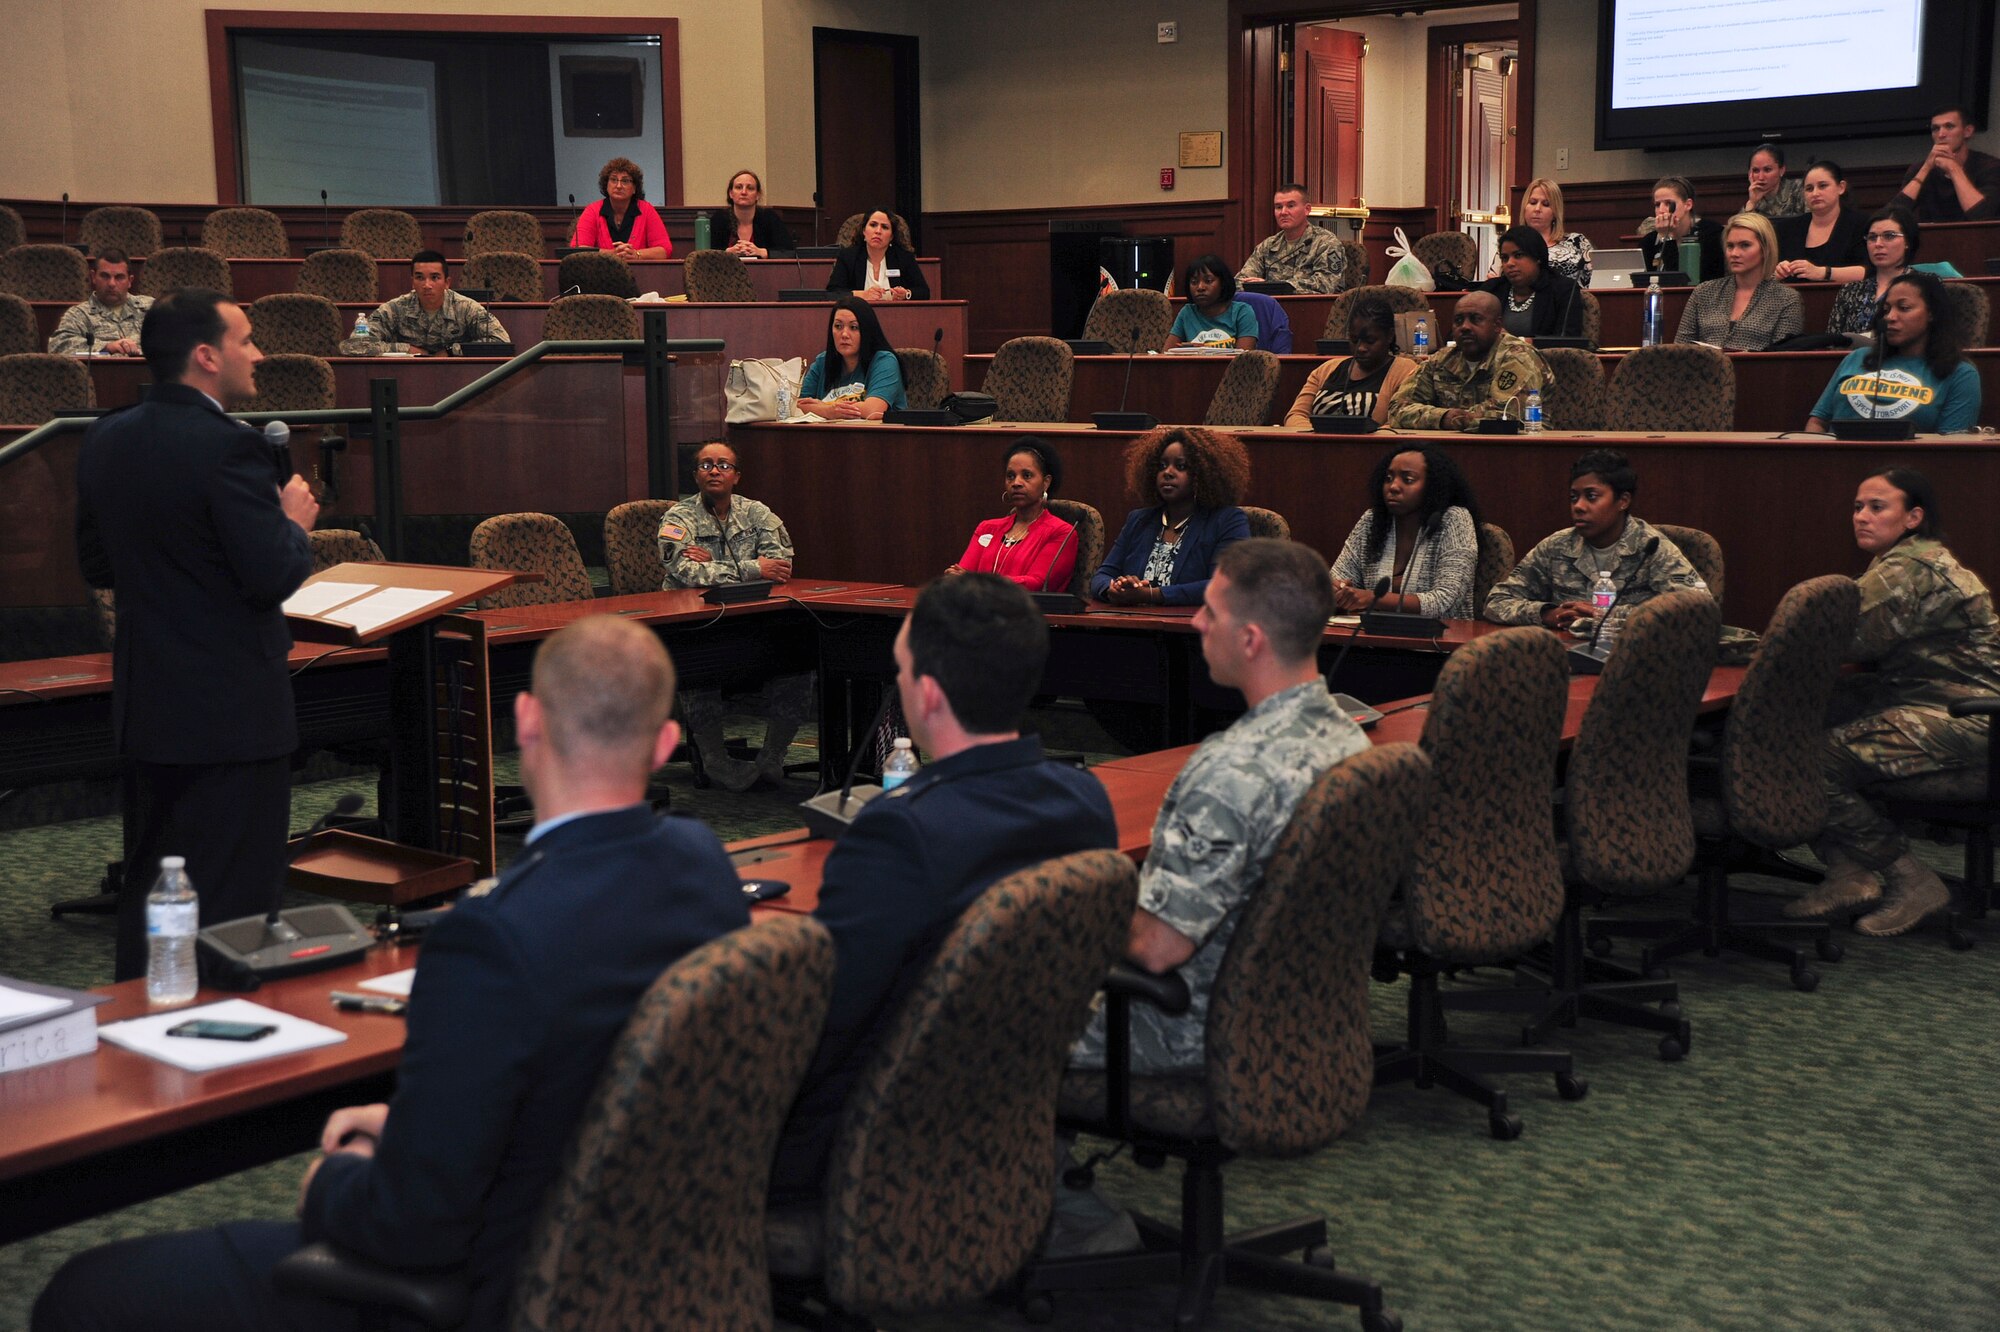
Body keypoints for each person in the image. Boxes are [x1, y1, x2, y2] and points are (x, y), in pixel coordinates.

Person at [32, 617, 751, 1332]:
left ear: (526, 720)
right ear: (665, 743)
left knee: (84, 1292)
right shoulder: (702, 865)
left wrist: (332, 1182)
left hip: (493, 1289)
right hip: (643, 1262)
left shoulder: (490, 938)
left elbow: (412, 1225)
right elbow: (589, 1075)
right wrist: (408, 1128)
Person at [768, 574, 1117, 1202]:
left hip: (875, 1139)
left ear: (926, 696)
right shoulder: (1084, 799)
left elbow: (830, 1018)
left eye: (900, 670)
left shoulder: (899, 833)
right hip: (1013, 1098)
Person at [72, 289, 317, 982]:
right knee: (236, 894)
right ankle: (231, 1060)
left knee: (155, 878)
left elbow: (95, 565)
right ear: (207, 357)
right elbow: (272, 574)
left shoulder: (106, 436)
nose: (259, 353)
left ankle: (137, 1037)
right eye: (246, 340)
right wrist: (292, 524)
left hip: (150, 697)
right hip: (233, 710)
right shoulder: (227, 446)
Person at [1070, 539, 1370, 1073]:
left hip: (1182, 1030)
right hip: (1292, 1019)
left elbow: (1156, 949)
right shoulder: (1348, 740)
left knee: (984, 1009)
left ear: (1251, 640)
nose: (1196, 624)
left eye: (1210, 611)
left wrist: (1059, 921)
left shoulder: (1232, 771)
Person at [1787, 468, 2000, 936]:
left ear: (1913, 517)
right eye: (1858, 507)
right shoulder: (1907, 559)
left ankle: (1910, 879)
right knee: (1798, 729)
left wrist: (1736, 644)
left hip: (1966, 719)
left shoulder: (1908, 570)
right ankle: (1849, 872)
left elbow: (1829, 642)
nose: (1861, 517)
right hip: (1937, 704)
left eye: (1877, 507)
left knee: (1809, 760)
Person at [658, 441, 811, 790]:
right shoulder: (678, 517)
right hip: (694, 623)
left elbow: (782, 566)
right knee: (701, 673)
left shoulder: (758, 513)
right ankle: (715, 761)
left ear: (737, 476)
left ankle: (773, 758)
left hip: (752, 622)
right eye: (706, 465)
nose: (715, 471)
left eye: (724, 465)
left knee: (799, 667)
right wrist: (755, 567)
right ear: (696, 475)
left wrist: (714, 565)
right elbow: (683, 571)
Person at [1483, 448, 1708, 629]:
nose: (1578, 506)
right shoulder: (1556, 547)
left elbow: (1699, 614)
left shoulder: (1651, 548)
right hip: (1567, 662)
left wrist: (1609, 615)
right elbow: (1496, 602)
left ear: (1623, 500)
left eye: (1591, 496)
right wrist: (1548, 614)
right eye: (1574, 497)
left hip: (1632, 662)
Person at [1091, 426, 1252, 606]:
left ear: (1204, 473)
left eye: (1181, 466)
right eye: (1162, 466)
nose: (1168, 472)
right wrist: (1114, 588)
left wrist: (1152, 595)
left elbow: (1224, 585)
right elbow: (1102, 576)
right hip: (1130, 626)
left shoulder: (1227, 521)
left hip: (1190, 629)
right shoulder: (1139, 519)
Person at [1805, 272, 1982, 434]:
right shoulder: (1856, 358)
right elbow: (1818, 422)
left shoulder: (1960, 374)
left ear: (1932, 314)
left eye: (1904, 308)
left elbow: (1949, 451)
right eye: (1887, 309)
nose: (1890, 317)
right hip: (1836, 464)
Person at [1330, 443, 1485, 619]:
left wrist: (1372, 598)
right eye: (1388, 478)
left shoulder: (1454, 520)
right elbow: (1338, 577)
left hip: (1440, 641)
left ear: (1433, 486)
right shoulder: (1373, 521)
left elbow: (1444, 602)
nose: (1393, 486)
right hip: (1371, 640)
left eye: (1408, 479)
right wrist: (1336, 589)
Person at [1385, 290, 1554, 431]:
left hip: (1521, 453)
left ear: (1497, 325)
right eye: (1458, 321)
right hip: (1455, 450)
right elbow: (1396, 409)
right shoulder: (1440, 360)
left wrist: (1454, 418)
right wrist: (1443, 417)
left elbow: (1502, 416)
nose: (1464, 327)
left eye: (1475, 319)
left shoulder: (1519, 357)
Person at [948, 437, 1078, 592]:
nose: (1016, 482)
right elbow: (959, 576)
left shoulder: (1062, 533)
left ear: (1046, 482)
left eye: (1027, 475)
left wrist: (975, 580)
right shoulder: (987, 528)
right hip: (978, 611)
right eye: (1010, 476)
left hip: (1028, 613)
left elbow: (1037, 583)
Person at [338, 249, 510, 356]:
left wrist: (451, 351)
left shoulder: (466, 308)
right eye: (420, 278)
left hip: (459, 380)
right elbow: (353, 346)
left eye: (435, 278)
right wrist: (406, 349)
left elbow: (501, 342)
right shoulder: (396, 308)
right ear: (412, 282)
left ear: (447, 283)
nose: (427, 285)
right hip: (407, 380)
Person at [1673, 212, 1803, 351]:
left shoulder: (1786, 299)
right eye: (1730, 246)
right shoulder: (1704, 292)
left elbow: (1783, 359)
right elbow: (1680, 349)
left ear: (1765, 249)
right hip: (1705, 371)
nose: (1734, 253)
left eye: (1745, 245)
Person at [1283, 295, 1419, 426]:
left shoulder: (1406, 371)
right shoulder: (1326, 369)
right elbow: (1295, 415)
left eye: (1370, 341)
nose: (1360, 348)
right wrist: (1319, 438)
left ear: (1389, 336)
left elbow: (1399, 422)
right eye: (1354, 340)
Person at [796, 295, 906, 419]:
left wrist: (824, 408)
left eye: (853, 327)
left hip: (876, 437)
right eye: (838, 326)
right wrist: (829, 410)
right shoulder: (822, 362)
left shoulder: (884, 361)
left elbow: (873, 410)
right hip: (827, 436)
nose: (844, 334)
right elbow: (798, 407)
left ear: (867, 331)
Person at [1475, 225, 1587, 342]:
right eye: (1505, 258)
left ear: (1537, 257)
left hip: (1544, 359)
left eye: (1518, 255)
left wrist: (1517, 342)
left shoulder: (1563, 289)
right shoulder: (1492, 289)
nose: (1509, 263)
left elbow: (1568, 340)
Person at [1234, 182, 1348, 294]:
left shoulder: (1326, 243)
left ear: (1307, 209)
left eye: (1290, 206)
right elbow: (1239, 282)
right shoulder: (1268, 245)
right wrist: (1264, 287)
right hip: (1272, 308)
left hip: (1314, 309)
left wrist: (1270, 287)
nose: (1283, 212)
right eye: (1278, 207)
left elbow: (1325, 285)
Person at [1827, 205, 1920, 336]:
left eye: (1889, 236)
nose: (1878, 244)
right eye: (1872, 237)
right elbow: (1832, 341)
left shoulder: (1924, 285)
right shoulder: (1850, 290)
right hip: (1854, 356)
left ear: (1908, 241)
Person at [1897, 104, 2000, 222]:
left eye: (1949, 126)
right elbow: (1895, 214)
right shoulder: (1918, 169)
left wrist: (1953, 169)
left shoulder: (1990, 166)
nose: (1941, 134)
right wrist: (1926, 168)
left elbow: (1982, 216)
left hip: (1979, 238)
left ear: (1967, 131)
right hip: (1932, 238)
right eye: (1935, 129)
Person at [1773, 161, 1868, 285]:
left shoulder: (1861, 224)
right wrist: (1778, 272)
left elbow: (1868, 271)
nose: (1815, 193)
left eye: (1822, 186)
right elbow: (1768, 274)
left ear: (1841, 187)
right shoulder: (1786, 229)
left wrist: (1823, 273)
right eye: (1809, 188)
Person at [47, 248, 150, 356]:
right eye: (105, 276)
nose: (111, 284)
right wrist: (106, 347)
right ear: (93, 277)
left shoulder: (150, 308)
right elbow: (57, 347)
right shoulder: (78, 315)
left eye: (119, 277)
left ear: (130, 281)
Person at [569, 156, 672, 260]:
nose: (618, 186)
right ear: (606, 185)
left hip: (639, 274)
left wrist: (636, 254)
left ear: (635, 188)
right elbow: (577, 249)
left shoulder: (646, 210)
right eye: (613, 180)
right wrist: (611, 254)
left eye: (625, 181)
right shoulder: (593, 210)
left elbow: (664, 250)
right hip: (599, 274)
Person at [826, 207, 929, 301]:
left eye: (884, 227)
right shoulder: (848, 257)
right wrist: (862, 295)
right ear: (864, 231)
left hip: (896, 315)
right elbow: (832, 294)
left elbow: (924, 292)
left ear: (891, 236)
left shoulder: (904, 257)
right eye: (873, 225)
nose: (878, 231)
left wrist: (906, 294)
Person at [1639, 176, 1724, 282]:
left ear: (1688, 205)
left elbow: (1679, 281)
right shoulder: (1649, 241)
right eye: (1657, 205)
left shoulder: (1712, 233)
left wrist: (1669, 237)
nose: (1661, 210)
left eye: (1668, 204)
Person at [1164, 254, 1257, 350]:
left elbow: (1244, 359)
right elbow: (1166, 355)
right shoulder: (1187, 312)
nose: (1200, 287)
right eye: (1194, 282)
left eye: (1208, 281)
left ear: (1223, 283)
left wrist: (1205, 349)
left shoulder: (1242, 312)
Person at [1515, 176, 1594, 285]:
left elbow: (1596, 278)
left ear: (1555, 212)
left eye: (1546, 204)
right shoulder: (1511, 244)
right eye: (1533, 202)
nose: (1537, 209)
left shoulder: (1577, 242)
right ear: (1524, 207)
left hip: (1572, 300)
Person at [705, 168, 795, 258]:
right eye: (739, 187)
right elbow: (705, 256)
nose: (744, 192)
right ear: (731, 193)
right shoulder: (719, 219)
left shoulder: (769, 218)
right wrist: (726, 253)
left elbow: (789, 253)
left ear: (757, 195)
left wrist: (762, 252)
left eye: (750, 188)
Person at [1744, 142, 1807, 220]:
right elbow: (1741, 230)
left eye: (1767, 170)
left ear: (1782, 170)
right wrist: (1752, 203)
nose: (1760, 177)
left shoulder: (1799, 189)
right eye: (1756, 171)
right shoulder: (1753, 198)